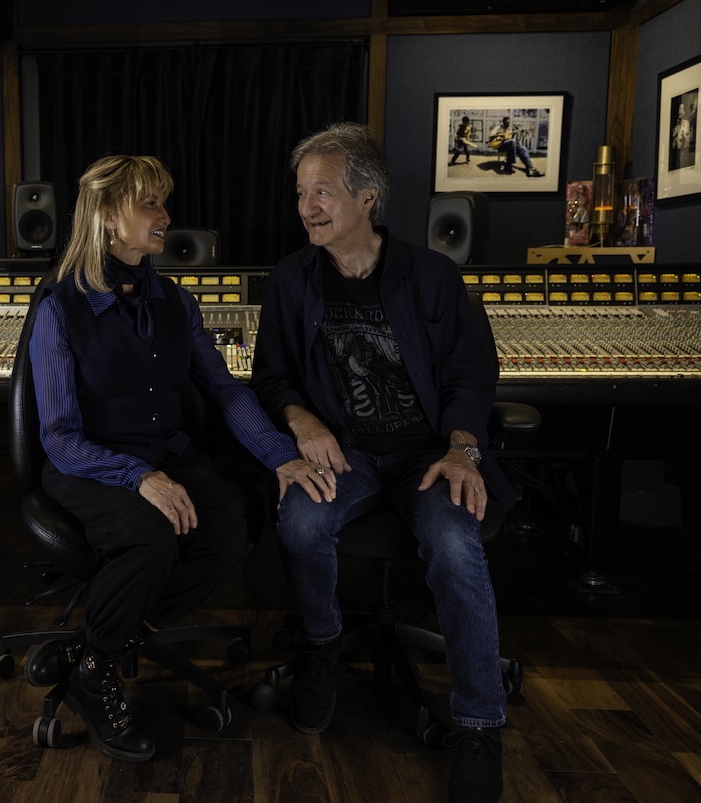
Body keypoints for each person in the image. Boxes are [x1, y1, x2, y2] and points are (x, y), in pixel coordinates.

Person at [30, 154, 332, 763]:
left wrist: (280, 457)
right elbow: (59, 436)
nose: (166, 216)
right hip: (89, 464)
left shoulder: (176, 301)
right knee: (152, 537)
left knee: (228, 531)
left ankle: (96, 651)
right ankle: (98, 679)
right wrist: (139, 477)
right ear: (110, 218)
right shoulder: (60, 309)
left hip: (165, 453)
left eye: (164, 203)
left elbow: (223, 388)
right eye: (151, 204)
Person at [249, 122, 517, 803]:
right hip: (347, 452)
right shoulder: (289, 280)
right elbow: (271, 376)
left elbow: (470, 376)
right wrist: (300, 417)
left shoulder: (431, 275)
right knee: (301, 522)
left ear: (368, 197)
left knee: (456, 543)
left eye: (323, 191)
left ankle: (481, 723)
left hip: (427, 454)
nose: (307, 205)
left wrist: (463, 450)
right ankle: (320, 644)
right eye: (301, 191)